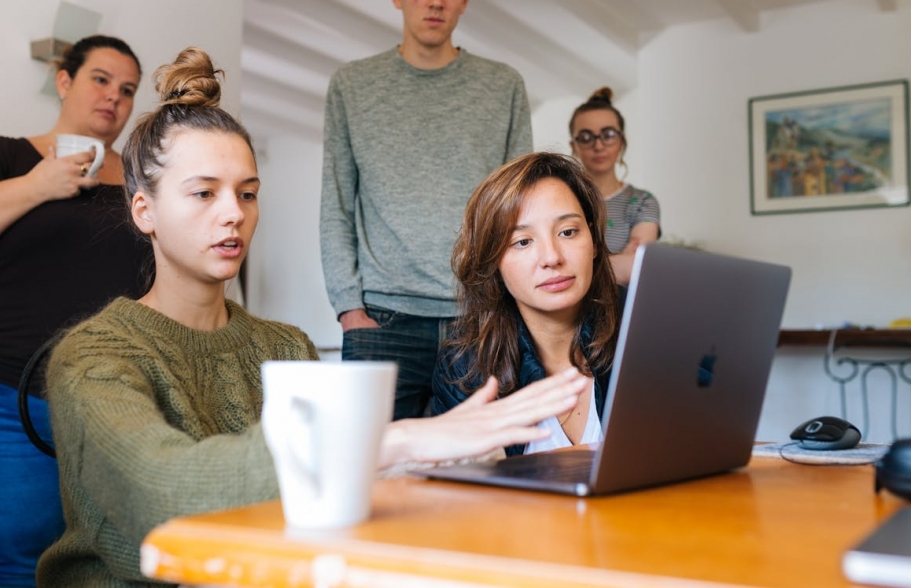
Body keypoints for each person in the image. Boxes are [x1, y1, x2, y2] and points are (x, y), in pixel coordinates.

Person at [36, 48, 586, 588]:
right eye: (204, 193)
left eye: (247, 194)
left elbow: (328, 507)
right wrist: (395, 441)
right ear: (144, 210)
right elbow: (165, 498)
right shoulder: (92, 357)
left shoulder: (284, 345)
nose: (234, 213)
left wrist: (455, 458)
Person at [320, 0, 533, 420]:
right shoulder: (352, 84)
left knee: (475, 475)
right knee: (374, 474)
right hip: (380, 322)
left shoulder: (503, 85)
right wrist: (349, 308)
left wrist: (506, 305)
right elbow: (336, 203)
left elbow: (519, 208)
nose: (435, 2)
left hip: (479, 316)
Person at [0, 35, 149, 588]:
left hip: (114, 401)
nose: (114, 97)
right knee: (18, 556)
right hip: (16, 398)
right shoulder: (11, 157)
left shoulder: (139, 182)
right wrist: (39, 185)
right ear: (64, 81)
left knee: (115, 560)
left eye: (128, 89)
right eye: (101, 79)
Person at [431, 152, 624, 456]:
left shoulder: (644, 328)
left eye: (568, 232)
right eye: (522, 241)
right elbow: (461, 496)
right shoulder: (465, 368)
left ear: (595, 242)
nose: (551, 258)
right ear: (493, 261)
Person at [569, 87, 660, 285]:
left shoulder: (643, 201)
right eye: (585, 137)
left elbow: (635, 267)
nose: (598, 145)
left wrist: (571, 274)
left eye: (608, 134)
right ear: (573, 146)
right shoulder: (562, 199)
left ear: (621, 141)